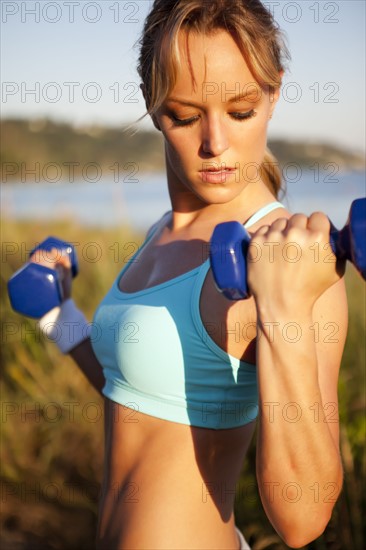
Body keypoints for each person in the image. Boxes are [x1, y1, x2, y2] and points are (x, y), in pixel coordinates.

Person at [34, 1, 348, 548]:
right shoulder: (166, 228)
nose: (215, 145)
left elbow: (303, 522)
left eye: (241, 111)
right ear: (153, 106)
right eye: (184, 115)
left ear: (274, 94)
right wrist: (59, 316)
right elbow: (136, 390)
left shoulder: (287, 259)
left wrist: (286, 312)